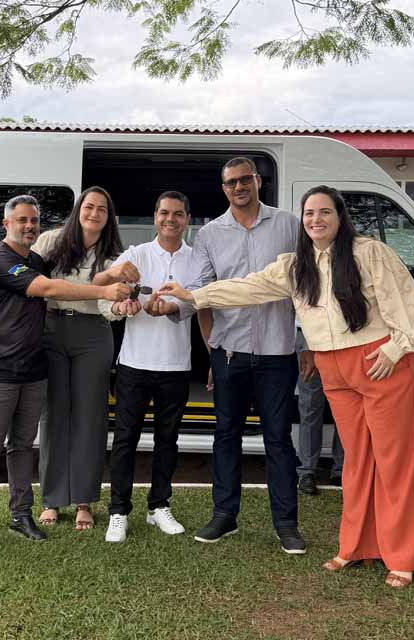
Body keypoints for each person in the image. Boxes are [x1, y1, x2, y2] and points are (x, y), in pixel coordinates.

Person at [160, 185, 414, 589]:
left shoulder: (369, 252)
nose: (316, 220)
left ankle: (403, 556)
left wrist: (395, 349)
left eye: (324, 212)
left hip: (380, 362)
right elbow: (247, 287)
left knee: (395, 461)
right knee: (358, 461)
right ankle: (357, 545)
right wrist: (195, 296)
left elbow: (409, 305)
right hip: (334, 369)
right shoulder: (296, 265)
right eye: (309, 213)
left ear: (340, 216)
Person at [0, 195, 129, 545]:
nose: (29, 226)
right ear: (5, 224)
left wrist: (119, 289)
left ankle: (22, 514)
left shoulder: (37, 259)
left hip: (33, 363)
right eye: (21, 220)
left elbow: (76, 287)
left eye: (33, 221)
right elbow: (48, 288)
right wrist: (103, 287)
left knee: (23, 444)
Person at [176, 157, 306, 554]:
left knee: (278, 440)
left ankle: (286, 524)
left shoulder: (289, 225)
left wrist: (309, 344)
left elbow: (308, 288)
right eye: (230, 182)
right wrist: (212, 351)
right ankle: (224, 515)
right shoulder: (210, 234)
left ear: (257, 181)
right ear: (224, 188)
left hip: (278, 351)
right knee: (226, 436)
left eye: (244, 179)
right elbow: (202, 295)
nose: (238, 187)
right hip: (229, 352)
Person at [93, 191, 201, 542]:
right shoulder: (136, 254)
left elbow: (201, 301)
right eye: (165, 213)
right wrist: (120, 294)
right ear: (155, 217)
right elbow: (100, 284)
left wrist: (174, 307)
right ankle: (118, 511)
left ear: (187, 219)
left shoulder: (196, 260)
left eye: (178, 214)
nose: (171, 219)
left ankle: (158, 507)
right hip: (134, 364)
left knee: (167, 440)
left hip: (176, 365)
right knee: (125, 439)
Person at [32, 186, 127, 532]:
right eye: (89, 206)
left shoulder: (113, 256)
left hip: (94, 334)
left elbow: (108, 306)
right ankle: (51, 499)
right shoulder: (50, 242)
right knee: (53, 414)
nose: (94, 213)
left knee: (90, 416)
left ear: (109, 217)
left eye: (102, 209)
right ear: (78, 210)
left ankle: (84, 500)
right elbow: (33, 283)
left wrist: (120, 307)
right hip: (52, 329)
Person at [296, 331, 344, 495]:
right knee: (310, 406)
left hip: (345, 336)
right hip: (311, 338)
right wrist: (308, 346)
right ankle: (307, 471)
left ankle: (342, 469)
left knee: (345, 407)